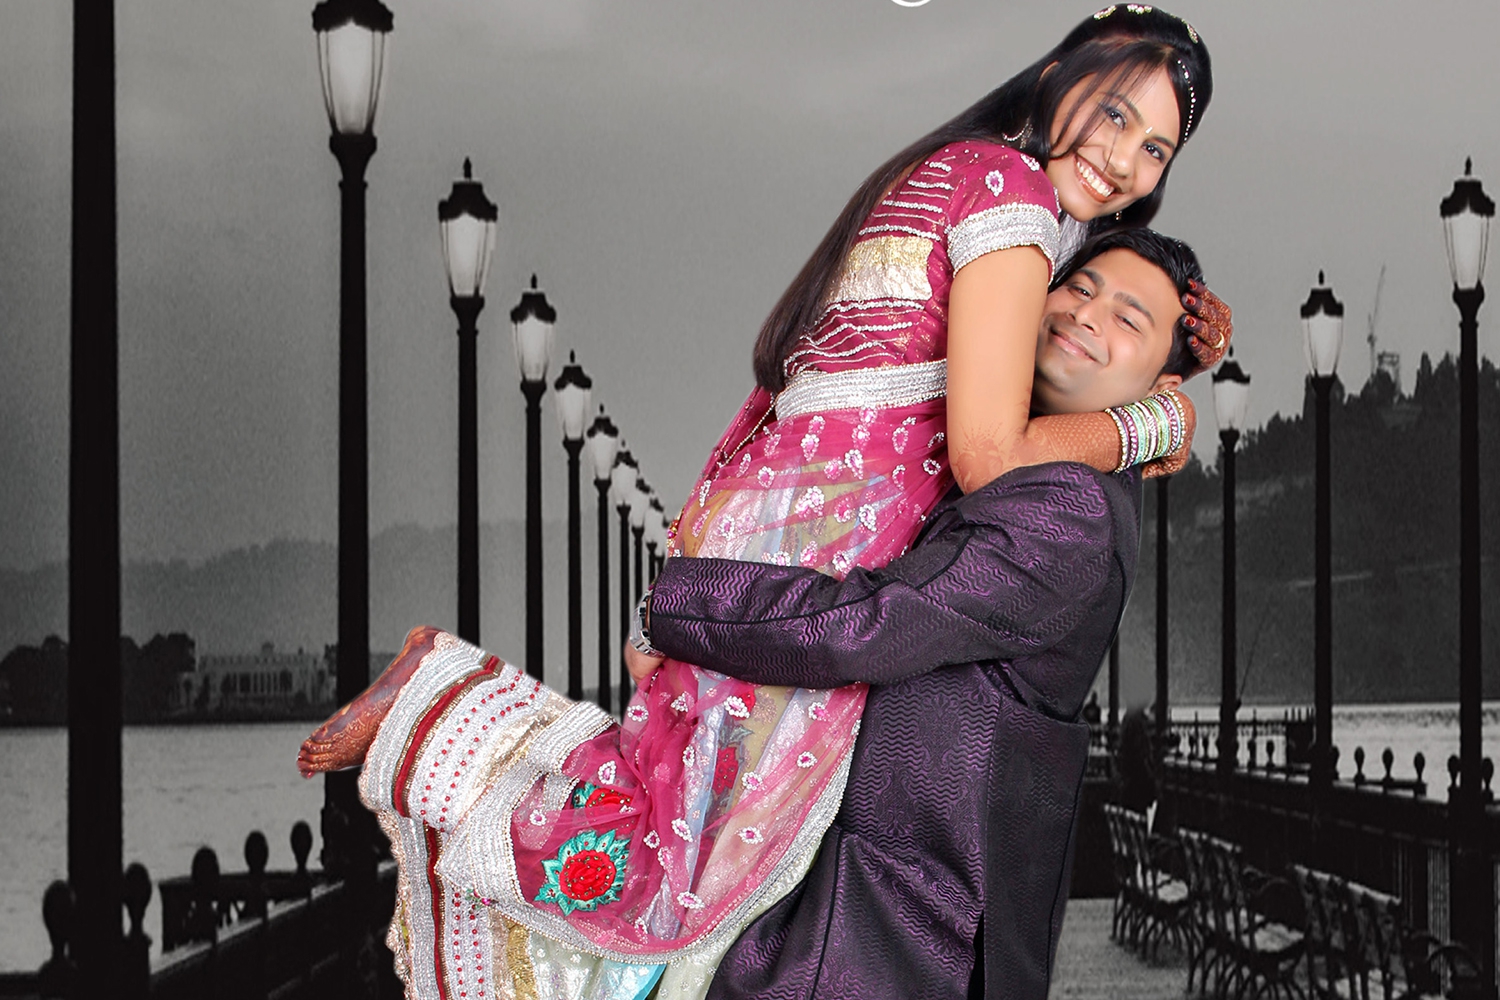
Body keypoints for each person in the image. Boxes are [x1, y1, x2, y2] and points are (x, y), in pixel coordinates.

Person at [298, 8, 1229, 997]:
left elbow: (808, 381)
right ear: (1058, 75)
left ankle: (445, 721)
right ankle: (442, 710)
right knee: (675, 878)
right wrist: (1152, 422)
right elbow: (994, 451)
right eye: (1116, 114)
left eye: (1156, 148)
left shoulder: (974, 175)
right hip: (822, 543)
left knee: (665, 821)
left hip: (781, 515)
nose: (1125, 159)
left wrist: (1186, 353)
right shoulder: (1012, 193)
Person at [632, 228, 1216, 999]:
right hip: (880, 917)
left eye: (1128, 318)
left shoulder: (1069, 509)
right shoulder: (1017, 463)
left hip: (892, 932)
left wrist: (672, 606)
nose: (1086, 314)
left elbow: (868, 623)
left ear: (1163, 385)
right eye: (1080, 287)